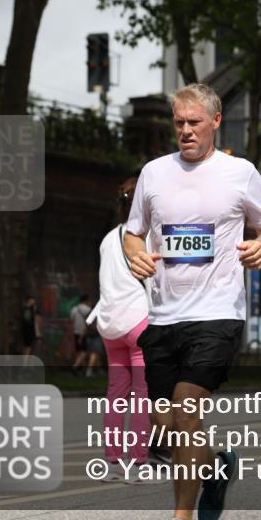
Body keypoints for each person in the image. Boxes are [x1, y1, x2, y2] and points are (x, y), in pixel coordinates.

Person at [124, 83, 261, 520]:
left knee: (186, 406)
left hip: (217, 312)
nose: (186, 131)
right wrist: (133, 252)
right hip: (163, 314)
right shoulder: (153, 173)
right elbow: (134, 231)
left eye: (194, 122)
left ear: (215, 122)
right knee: (165, 423)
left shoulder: (241, 172)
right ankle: (215, 466)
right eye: (178, 123)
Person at [89, 177, 152, 478]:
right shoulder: (145, 238)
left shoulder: (106, 239)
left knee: (116, 393)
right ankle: (139, 458)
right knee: (142, 393)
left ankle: (113, 458)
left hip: (109, 325)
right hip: (139, 322)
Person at [70, 294, 92, 374]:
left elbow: (72, 320)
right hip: (84, 332)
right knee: (84, 352)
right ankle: (75, 367)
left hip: (76, 332)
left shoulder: (74, 309)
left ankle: (81, 368)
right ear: (86, 300)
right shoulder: (88, 309)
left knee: (79, 351)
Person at [21, 295, 41, 360]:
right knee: (28, 347)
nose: (34, 301)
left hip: (31, 330)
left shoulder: (31, 309)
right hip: (28, 330)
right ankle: (25, 364)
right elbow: (27, 320)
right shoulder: (27, 309)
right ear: (29, 300)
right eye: (32, 300)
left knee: (29, 347)